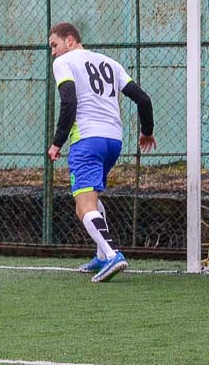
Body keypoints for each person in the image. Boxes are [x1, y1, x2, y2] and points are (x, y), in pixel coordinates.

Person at [47, 22, 156, 283]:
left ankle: (112, 254)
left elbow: (69, 101)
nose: (52, 52)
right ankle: (100, 255)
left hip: (87, 140)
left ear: (70, 40)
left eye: (54, 45)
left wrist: (57, 142)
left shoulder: (64, 62)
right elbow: (143, 99)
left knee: (83, 206)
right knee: (91, 197)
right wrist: (147, 131)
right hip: (113, 141)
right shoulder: (110, 63)